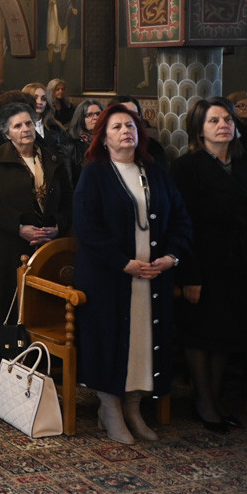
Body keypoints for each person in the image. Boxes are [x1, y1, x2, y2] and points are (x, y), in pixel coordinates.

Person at [73, 104, 192, 444]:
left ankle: (134, 406)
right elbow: (87, 228)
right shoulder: (95, 174)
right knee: (110, 343)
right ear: (103, 138)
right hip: (109, 279)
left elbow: (180, 219)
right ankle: (109, 408)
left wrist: (171, 257)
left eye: (131, 126)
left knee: (143, 342)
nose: (126, 131)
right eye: (117, 127)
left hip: (152, 278)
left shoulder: (154, 171)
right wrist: (122, 262)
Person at [171, 97, 247, 432]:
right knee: (203, 333)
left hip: (242, 261)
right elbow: (182, 224)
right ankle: (203, 401)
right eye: (214, 121)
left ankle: (214, 399)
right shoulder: (187, 167)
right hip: (204, 260)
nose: (223, 125)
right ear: (200, 129)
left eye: (227, 119)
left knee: (228, 332)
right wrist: (190, 274)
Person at [0, 101, 71, 387]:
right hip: (4, 242)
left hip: (43, 242)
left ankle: (36, 359)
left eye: (28, 123)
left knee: (38, 303)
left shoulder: (51, 157)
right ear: (7, 133)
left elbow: (68, 201)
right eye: (17, 126)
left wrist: (57, 227)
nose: (25, 129)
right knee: (0, 301)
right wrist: (19, 227)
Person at [62, 98, 105, 186]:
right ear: (81, 118)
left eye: (98, 114)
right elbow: (69, 182)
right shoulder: (70, 145)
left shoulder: (109, 141)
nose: (95, 118)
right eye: (89, 115)